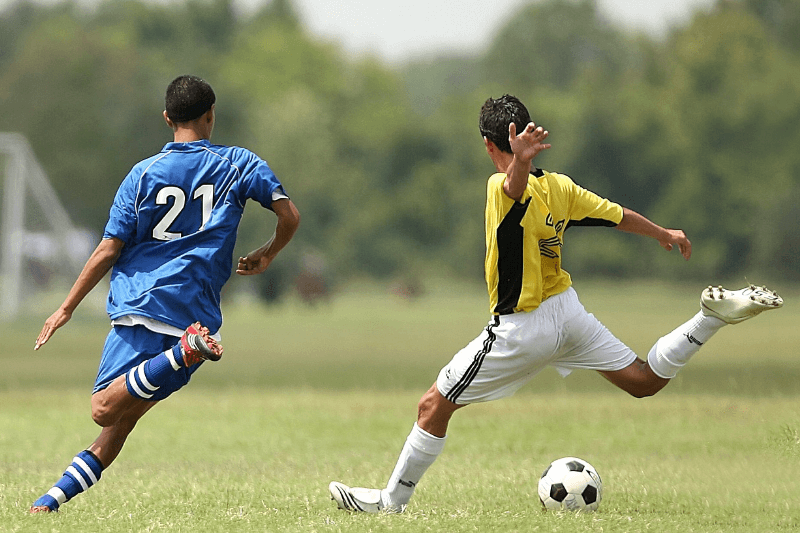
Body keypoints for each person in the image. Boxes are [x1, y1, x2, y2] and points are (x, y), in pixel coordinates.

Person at [328, 94, 783, 513]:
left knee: (433, 406)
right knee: (643, 380)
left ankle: (392, 502)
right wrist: (663, 232)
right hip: (568, 312)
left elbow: (512, 190)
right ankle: (707, 319)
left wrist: (518, 164)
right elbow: (615, 214)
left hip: (522, 328)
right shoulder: (560, 187)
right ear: (525, 134)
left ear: (489, 145)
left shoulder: (498, 186)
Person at [29, 75, 300, 513]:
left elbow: (108, 249)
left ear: (167, 118)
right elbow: (289, 216)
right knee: (119, 425)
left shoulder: (142, 175)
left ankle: (180, 353)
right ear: (211, 116)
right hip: (195, 313)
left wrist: (65, 308)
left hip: (143, 305)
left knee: (103, 408)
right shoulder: (239, 163)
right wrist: (267, 254)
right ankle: (50, 501)